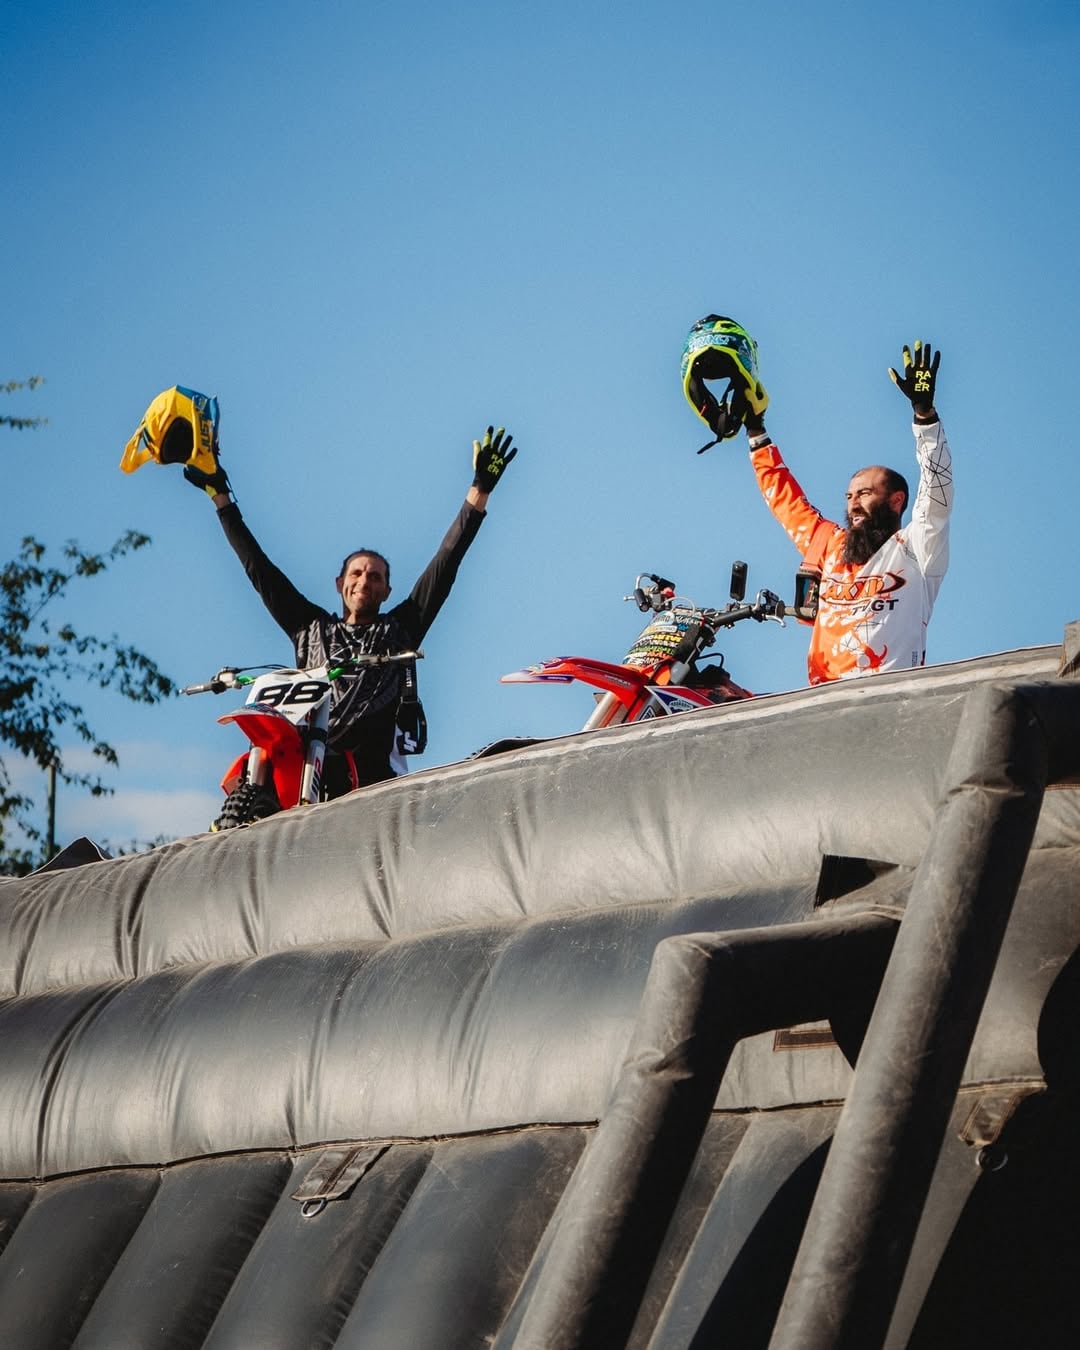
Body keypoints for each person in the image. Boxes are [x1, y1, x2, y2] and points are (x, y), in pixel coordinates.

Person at [181, 417, 519, 806]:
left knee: (355, 761)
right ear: (340, 584)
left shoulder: (400, 628)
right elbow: (259, 569)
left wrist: (478, 492)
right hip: (309, 756)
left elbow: (446, 563)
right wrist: (221, 498)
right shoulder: (309, 627)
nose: (365, 580)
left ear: (387, 590)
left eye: (376, 576)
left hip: (373, 775)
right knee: (256, 755)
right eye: (356, 573)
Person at [741, 339, 952, 682]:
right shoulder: (830, 545)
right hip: (823, 705)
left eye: (865, 493)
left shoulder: (918, 546)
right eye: (849, 495)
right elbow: (785, 500)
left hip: (893, 701)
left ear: (896, 500)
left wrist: (925, 417)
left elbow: (937, 490)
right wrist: (755, 431)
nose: (853, 502)